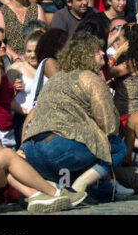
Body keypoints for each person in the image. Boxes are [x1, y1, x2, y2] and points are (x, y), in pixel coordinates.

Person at [21, 32, 126, 196]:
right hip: (60, 149)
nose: (103, 53)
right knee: (117, 146)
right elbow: (108, 125)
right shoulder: (90, 78)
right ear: (86, 54)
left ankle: (62, 191)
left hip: (32, 151)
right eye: (98, 50)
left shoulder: (56, 78)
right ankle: (79, 187)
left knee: (86, 144)